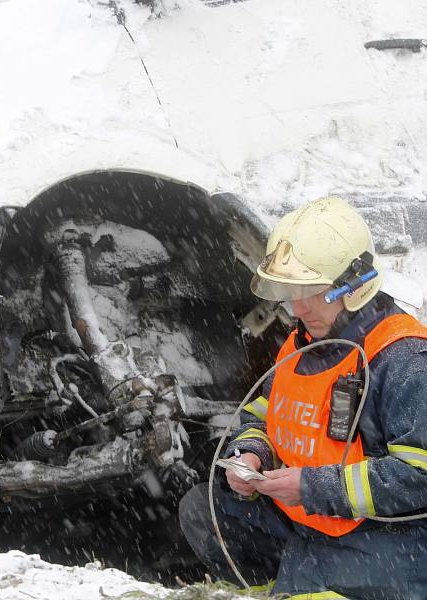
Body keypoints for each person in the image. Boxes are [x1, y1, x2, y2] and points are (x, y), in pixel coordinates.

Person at [178, 196, 427, 599]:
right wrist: (252, 453)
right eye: (292, 290)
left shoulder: (404, 359)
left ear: (356, 284)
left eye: (312, 290)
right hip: (306, 519)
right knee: (202, 512)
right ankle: (283, 581)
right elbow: (263, 414)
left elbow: (420, 478)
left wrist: (313, 487)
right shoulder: (302, 344)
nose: (297, 307)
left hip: (383, 537)